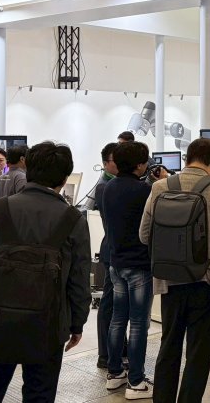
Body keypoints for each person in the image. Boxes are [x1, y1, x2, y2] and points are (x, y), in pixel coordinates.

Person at [0, 142, 91, 402]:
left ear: (27, 170)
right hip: (49, 325)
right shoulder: (73, 219)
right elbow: (78, 279)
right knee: (40, 395)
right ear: (65, 178)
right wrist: (77, 323)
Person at [141, 138, 210, 403]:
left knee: (168, 348)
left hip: (170, 281)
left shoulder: (160, 187)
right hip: (208, 283)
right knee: (198, 355)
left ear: (187, 158)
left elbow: (144, 235)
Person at [103, 141, 154, 399]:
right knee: (138, 324)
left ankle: (114, 373)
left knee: (117, 319)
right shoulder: (144, 190)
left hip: (116, 263)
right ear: (139, 165)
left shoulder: (108, 187)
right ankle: (136, 382)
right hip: (139, 265)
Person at [94, 142, 125, 370]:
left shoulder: (113, 183)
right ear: (106, 163)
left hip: (116, 250)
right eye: (116, 160)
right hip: (112, 250)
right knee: (109, 304)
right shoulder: (105, 186)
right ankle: (105, 354)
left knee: (117, 304)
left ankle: (118, 349)